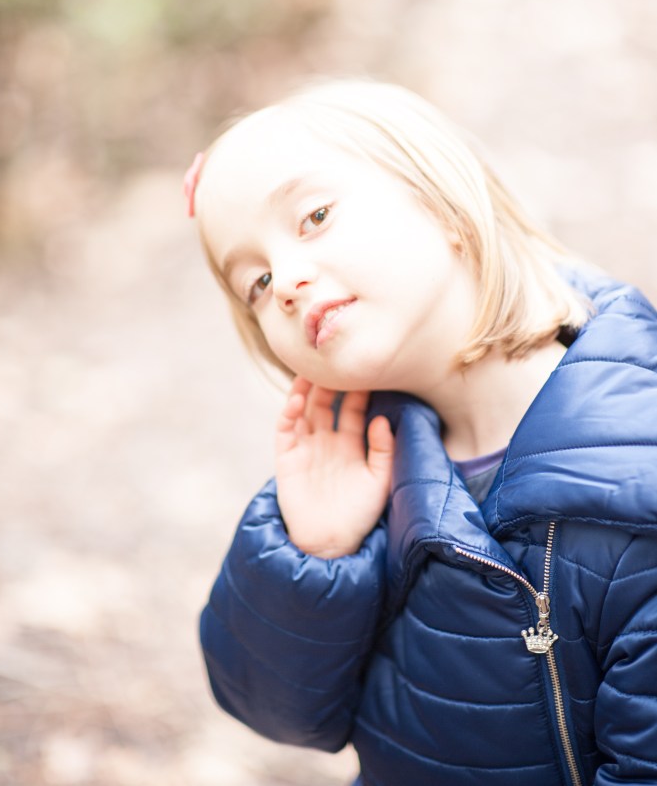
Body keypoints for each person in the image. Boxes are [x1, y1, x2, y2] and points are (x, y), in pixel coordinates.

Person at [187, 80, 657, 786]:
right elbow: (279, 712)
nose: (282, 282)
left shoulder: (634, 480)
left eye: (314, 216)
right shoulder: (363, 466)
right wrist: (316, 556)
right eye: (255, 282)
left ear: (440, 202)